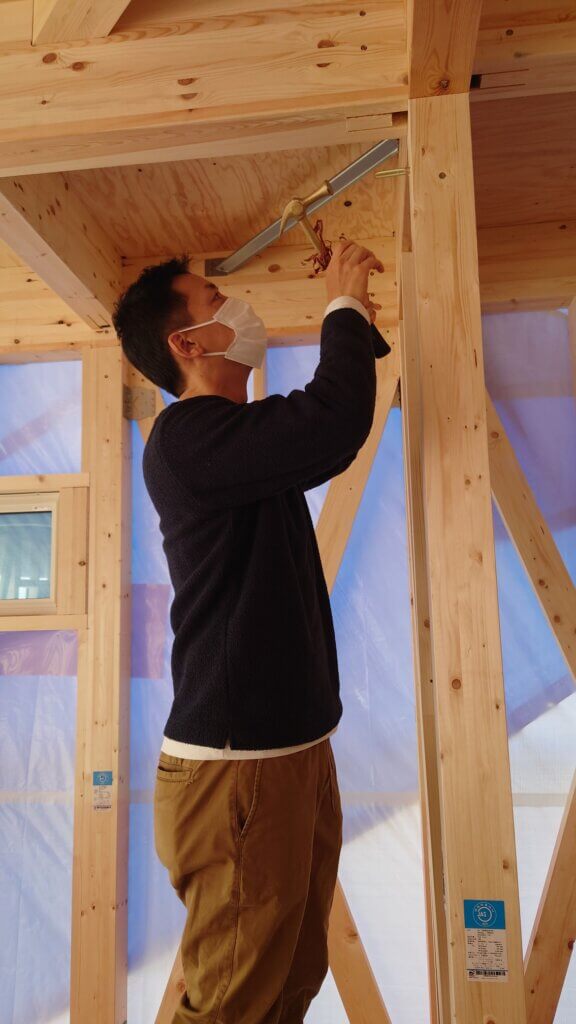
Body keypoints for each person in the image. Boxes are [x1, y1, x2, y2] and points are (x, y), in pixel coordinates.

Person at [112, 240, 384, 1024]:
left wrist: (356, 317)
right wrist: (341, 302)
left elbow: (319, 428)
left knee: (291, 979)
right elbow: (332, 422)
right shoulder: (186, 440)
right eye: (215, 299)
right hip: (238, 770)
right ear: (188, 344)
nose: (241, 307)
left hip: (285, 753)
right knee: (234, 1005)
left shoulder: (235, 444)